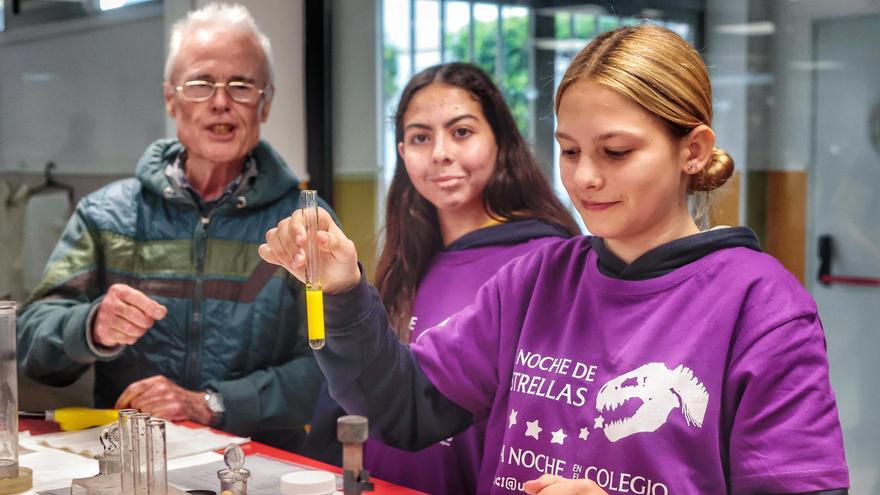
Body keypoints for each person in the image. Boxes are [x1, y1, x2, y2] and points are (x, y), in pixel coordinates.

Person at [261, 24, 850, 494]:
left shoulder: (760, 306)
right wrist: (342, 292)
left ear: (691, 151)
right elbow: (408, 407)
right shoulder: (539, 280)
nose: (586, 179)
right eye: (569, 151)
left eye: (616, 152)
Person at [17, 3, 328, 452]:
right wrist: (91, 327)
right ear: (170, 98)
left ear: (266, 102)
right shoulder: (107, 216)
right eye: (201, 83)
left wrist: (212, 403)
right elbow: (30, 341)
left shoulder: (304, 225)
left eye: (241, 85)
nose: (220, 102)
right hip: (128, 464)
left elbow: (332, 364)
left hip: (259, 469)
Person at [305, 63, 579, 493]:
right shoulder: (406, 258)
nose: (440, 153)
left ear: (500, 140)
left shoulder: (542, 261)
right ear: (401, 151)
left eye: (462, 132)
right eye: (420, 137)